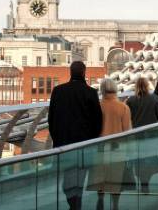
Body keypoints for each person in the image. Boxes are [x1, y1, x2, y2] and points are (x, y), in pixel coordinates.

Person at [49, 61, 102, 210]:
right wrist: (92, 140)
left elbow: (51, 118)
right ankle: (75, 205)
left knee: (67, 180)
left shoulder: (58, 91)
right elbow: (98, 121)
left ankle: (74, 205)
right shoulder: (91, 92)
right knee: (79, 179)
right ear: (84, 73)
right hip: (84, 145)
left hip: (63, 145)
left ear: (70, 72)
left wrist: (57, 139)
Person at [87, 79, 131, 210]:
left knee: (100, 175)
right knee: (116, 177)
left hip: (100, 147)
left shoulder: (97, 106)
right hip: (118, 148)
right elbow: (126, 131)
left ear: (102, 90)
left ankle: (100, 198)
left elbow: (91, 127)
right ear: (116, 90)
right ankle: (115, 204)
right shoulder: (123, 107)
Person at [125, 77, 158, 195]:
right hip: (152, 135)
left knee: (139, 160)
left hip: (136, 135)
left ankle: (142, 181)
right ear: (147, 85)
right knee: (150, 159)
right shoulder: (155, 99)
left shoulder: (131, 100)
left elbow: (127, 118)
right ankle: (145, 183)